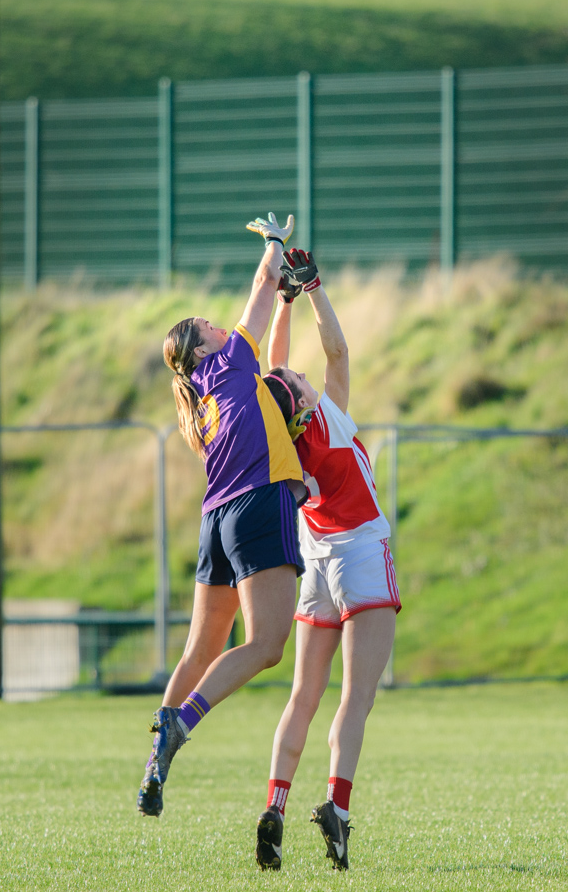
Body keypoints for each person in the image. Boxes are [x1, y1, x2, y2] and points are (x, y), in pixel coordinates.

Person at [137, 212, 308, 818]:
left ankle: (156, 760)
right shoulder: (231, 357)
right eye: (210, 323)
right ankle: (184, 721)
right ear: (204, 342)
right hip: (258, 504)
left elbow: (269, 366)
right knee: (265, 646)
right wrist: (274, 245)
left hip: (215, 519)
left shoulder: (203, 395)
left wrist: (286, 297)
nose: (220, 322)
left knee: (200, 647)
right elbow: (261, 290)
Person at [254, 248, 401, 872]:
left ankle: (276, 806)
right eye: (304, 383)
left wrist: (279, 300)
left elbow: (274, 368)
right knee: (355, 698)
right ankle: (337, 806)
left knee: (302, 697)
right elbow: (336, 353)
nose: (308, 377)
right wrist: (311, 288)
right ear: (308, 402)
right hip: (362, 552)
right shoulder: (331, 420)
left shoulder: (286, 442)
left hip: (315, 561)